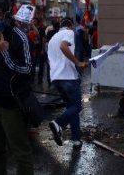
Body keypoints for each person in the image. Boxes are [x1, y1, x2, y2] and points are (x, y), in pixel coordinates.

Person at [0, 0, 34, 175]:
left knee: (20, 152)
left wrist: (6, 53)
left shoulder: (19, 37)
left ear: (6, 15)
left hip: (13, 104)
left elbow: (27, 70)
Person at [47, 17, 88, 148]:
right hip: (68, 76)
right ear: (70, 25)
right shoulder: (69, 33)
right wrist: (77, 62)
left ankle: (76, 139)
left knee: (71, 108)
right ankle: (59, 123)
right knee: (77, 106)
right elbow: (63, 46)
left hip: (56, 78)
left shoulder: (53, 38)